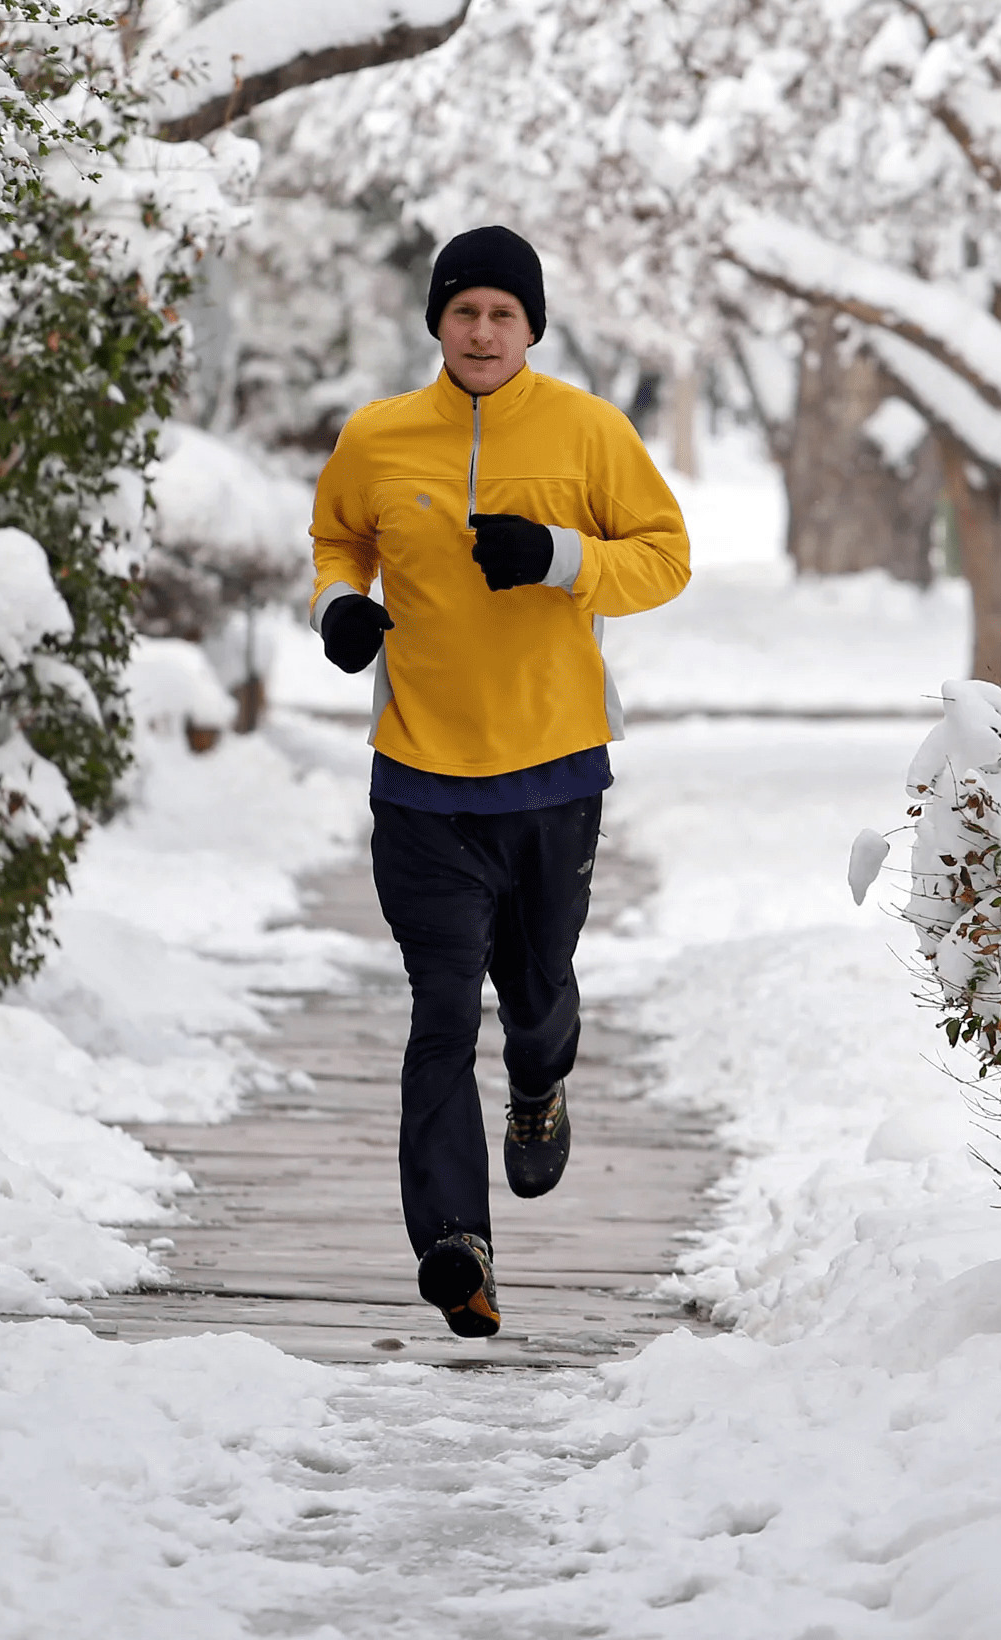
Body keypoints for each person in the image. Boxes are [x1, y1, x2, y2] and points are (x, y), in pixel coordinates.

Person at [306, 226, 691, 1337]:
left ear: (531, 327)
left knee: (534, 989)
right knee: (439, 1014)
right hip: (421, 778)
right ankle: (454, 1246)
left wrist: (562, 558)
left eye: (503, 316)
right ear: (438, 320)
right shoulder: (379, 435)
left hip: (554, 771)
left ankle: (538, 1084)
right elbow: (339, 541)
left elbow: (665, 555)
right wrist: (339, 610)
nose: (482, 332)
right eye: (464, 311)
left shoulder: (588, 430)